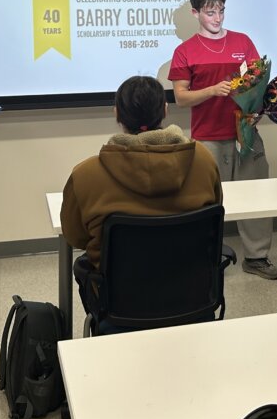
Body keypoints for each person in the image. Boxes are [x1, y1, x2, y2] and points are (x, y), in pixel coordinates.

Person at [169, 0, 277, 279]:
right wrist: (211, 90)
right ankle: (205, 260)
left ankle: (257, 258)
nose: (217, 18)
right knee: (206, 202)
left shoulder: (243, 42)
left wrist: (258, 109)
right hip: (208, 140)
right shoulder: (185, 51)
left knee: (256, 196)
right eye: (210, 12)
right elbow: (181, 97)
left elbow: (257, 83)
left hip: (245, 134)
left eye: (221, 10)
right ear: (195, 13)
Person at [60, 75, 222, 274]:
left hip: (119, 298)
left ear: (116, 113)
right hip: (193, 291)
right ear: (165, 109)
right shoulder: (203, 159)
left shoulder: (85, 175)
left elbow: (75, 236)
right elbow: (214, 215)